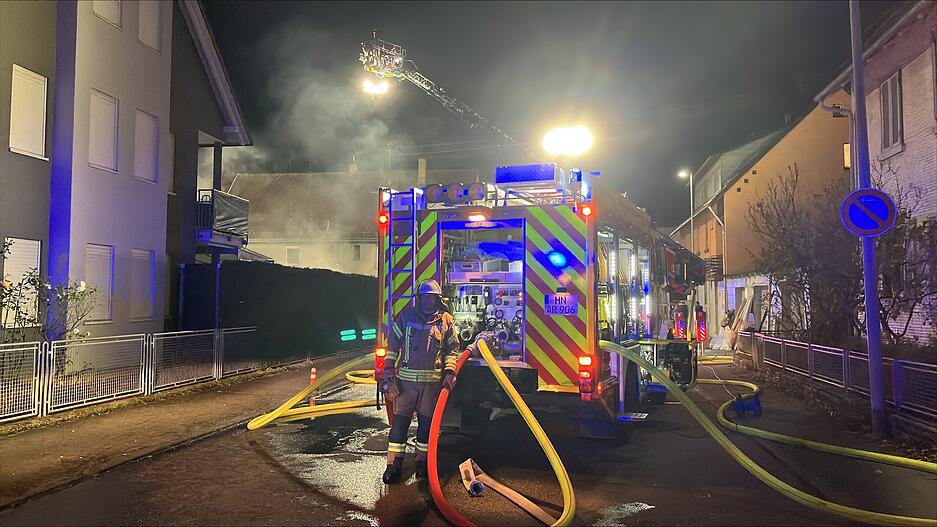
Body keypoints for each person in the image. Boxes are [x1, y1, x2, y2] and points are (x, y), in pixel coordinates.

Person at [380, 279, 459, 484]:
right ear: (419, 298)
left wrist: (450, 372)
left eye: (431, 297)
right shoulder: (406, 317)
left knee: (426, 426)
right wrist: (388, 372)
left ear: (437, 299)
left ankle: (422, 463)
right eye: (424, 297)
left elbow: (452, 349)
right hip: (405, 385)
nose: (427, 301)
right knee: (399, 425)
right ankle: (393, 465)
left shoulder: (446, 321)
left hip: (431, 385)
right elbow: (392, 346)